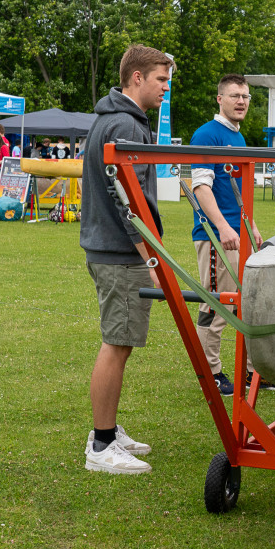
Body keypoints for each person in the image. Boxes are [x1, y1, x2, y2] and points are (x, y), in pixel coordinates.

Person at [79, 44, 173, 475]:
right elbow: (125, 199)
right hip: (120, 252)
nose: (164, 87)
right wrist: (149, 254)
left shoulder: (112, 119)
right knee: (116, 344)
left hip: (111, 248)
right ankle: (100, 446)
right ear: (136, 77)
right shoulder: (125, 125)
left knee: (122, 341)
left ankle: (108, 431)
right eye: (160, 79)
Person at [189, 74, 269, 395]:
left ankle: (252, 374)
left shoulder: (238, 138)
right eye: (235, 95)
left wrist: (250, 227)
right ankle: (212, 374)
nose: (242, 101)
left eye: (246, 96)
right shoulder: (207, 135)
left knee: (248, 304)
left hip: (239, 235)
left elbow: (238, 192)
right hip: (215, 236)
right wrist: (223, 227)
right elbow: (201, 187)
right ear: (219, 99)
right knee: (218, 306)